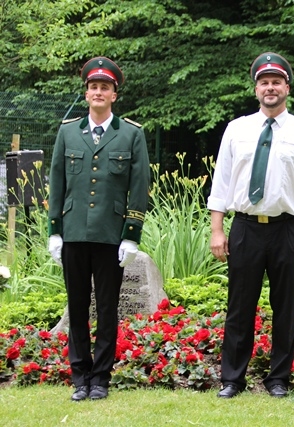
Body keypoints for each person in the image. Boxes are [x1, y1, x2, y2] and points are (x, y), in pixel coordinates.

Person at [208, 52, 294, 399]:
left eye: (276, 82)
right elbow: (222, 182)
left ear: (287, 88)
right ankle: (232, 379)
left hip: (286, 229)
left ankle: (279, 378)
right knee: (239, 306)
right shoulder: (237, 130)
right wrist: (217, 230)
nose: (270, 87)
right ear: (256, 89)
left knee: (285, 307)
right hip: (245, 228)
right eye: (264, 82)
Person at [47, 56, 150, 401]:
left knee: (107, 309)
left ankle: (101, 378)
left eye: (105, 87)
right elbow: (57, 182)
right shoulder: (68, 132)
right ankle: (80, 377)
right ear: (87, 93)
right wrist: (54, 230)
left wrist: (131, 235)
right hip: (74, 233)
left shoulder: (131, 134)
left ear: (114, 95)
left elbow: (139, 186)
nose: (98, 92)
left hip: (110, 235)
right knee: (77, 307)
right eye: (93, 87)